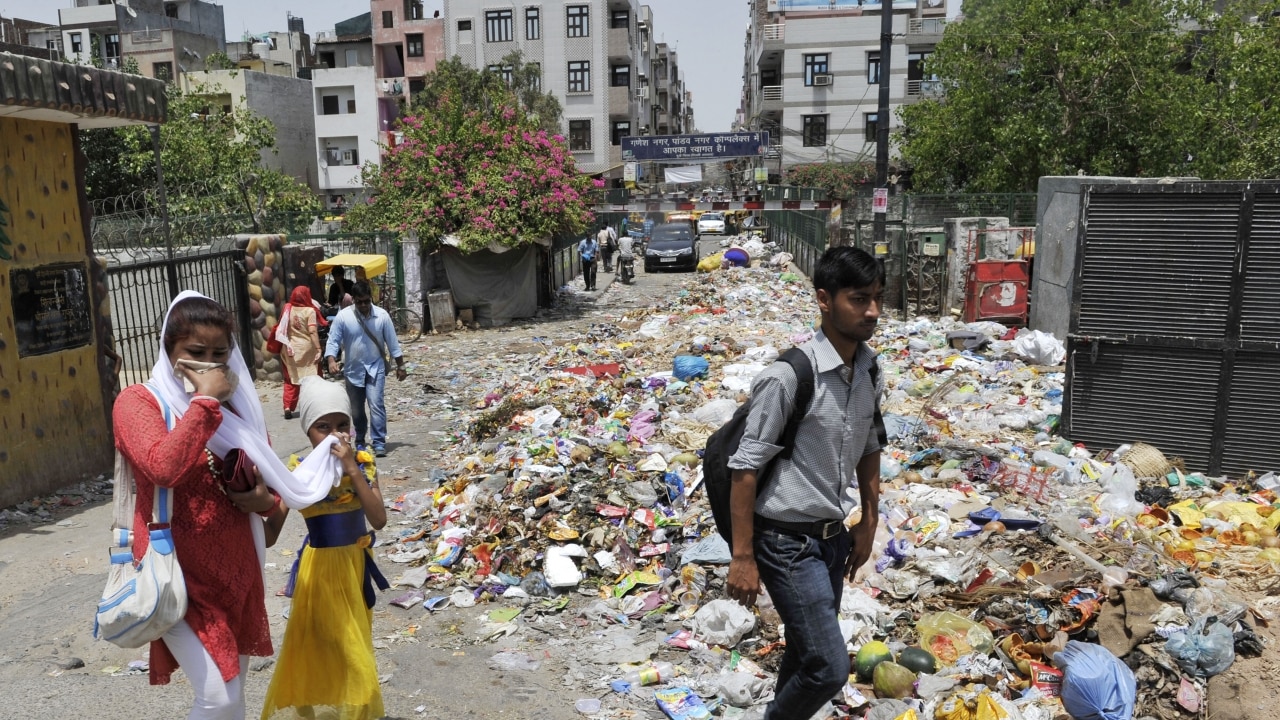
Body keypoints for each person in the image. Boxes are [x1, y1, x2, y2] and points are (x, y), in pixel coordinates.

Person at [725, 247, 887, 720]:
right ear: (823, 299)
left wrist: (869, 522)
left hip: (833, 539)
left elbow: (870, 445)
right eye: (859, 299)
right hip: (785, 540)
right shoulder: (788, 377)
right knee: (829, 667)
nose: (872, 312)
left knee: (803, 653)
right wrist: (742, 557)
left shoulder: (870, 370)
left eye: (877, 298)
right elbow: (745, 469)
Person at [113, 292, 288, 720]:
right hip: (175, 575)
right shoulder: (138, 402)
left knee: (234, 696)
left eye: (218, 354)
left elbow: (270, 488)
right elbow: (163, 467)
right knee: (219, 697)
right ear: (169, 350)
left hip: (236, 573)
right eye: (195, 352)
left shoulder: (239, 410)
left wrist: (264, 500)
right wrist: (205, 403)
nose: (208, 364)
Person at [260, 377, 388, 720]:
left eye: (342, 425)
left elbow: (378, 519)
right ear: (308, 432)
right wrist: (247, 503)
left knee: (355, 642)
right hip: (318, 573)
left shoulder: (364, 462)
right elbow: (271, 532)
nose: (335, 435)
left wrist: (352, 470)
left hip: (355, 567)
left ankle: (355, 711)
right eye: (323, 427)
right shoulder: (298, 472)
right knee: (323, 645)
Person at [324, 281, 406, 458]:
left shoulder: (382, 316)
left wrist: (401, 365)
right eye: (359, 302)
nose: (363, 305)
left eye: (366, 301)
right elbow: (333, 341)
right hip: (353, 371)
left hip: (375, 369)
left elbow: (393, 343)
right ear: (353, 300)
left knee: (376, 404)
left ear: (371, 299)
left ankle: (378, 441)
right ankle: (360, 438)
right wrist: (331, 360)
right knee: (356, 410)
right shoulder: (344, 317)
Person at [276, 286, 327, 420]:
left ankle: (288, 407)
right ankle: (317, 405)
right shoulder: (310, 311)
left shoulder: (288, 308)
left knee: (291, 379)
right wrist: (318, 348)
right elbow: (312, 332)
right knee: (314, 376)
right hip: (307, 349)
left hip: (290, 349)